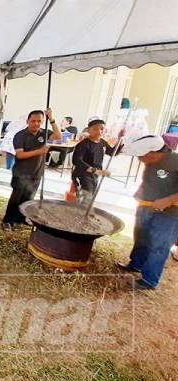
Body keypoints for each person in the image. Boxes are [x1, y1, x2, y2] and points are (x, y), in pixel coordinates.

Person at [117, 135, 178, 290]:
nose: (139, 159)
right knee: (141, 237)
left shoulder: (175, 161)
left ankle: (149, 280)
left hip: (171, 212)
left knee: (159, 244)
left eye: (140, 157)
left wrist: (168, 200)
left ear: (151, 153)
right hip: (146, 206)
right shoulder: (151, 161)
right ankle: (135, 264)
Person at [1, 109, 61, 231]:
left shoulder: (44, 133)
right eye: (33, 121)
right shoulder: (20, 136)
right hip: (21, 173)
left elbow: (58, 136)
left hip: (37, 173)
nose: (36, 124)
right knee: (16, 198)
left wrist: (52, 120)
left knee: (29, 198)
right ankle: (8, 220)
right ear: (28, 121)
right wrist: (40, 151)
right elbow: (20, 155)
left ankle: (22, 218)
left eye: (39, 121)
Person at [71, 119, 121, 205]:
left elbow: (112, 152)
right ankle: (80, 214)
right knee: (85, 199)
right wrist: (96, 171)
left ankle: (85, 214)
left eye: (102, 129)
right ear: (88, 130)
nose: (99, 131)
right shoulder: (83, 144)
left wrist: (120, 140)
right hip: (83, 175)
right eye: (95, 129)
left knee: (90, 197)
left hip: (95, 175)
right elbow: (77, 161)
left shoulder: (102, 142)